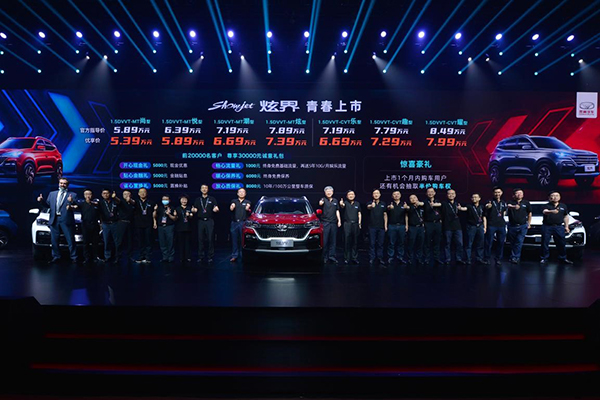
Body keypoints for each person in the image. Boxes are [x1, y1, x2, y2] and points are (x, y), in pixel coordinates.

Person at [37, 178, 78, 263]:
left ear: (67, 185)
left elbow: (76, 206)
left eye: (64, 183)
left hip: (66, 219)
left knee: (70, 239)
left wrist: (72, 202)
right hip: (54, 219)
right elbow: (47, 205)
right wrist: (41, 201)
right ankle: (56, 256)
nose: (62, 185)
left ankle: (74, 257)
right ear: (58, 184)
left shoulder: (73, 195)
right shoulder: (52, 194)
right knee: (54, 240)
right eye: (61, 183)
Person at [540, 191, 573, 265]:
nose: (555, 197)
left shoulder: (563, 206)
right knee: (545, 243)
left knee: (561, 243)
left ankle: (562, 258)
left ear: (560, 197)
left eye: (557, 195)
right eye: (553, 195)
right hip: (547, 226)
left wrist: (566, 226)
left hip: (559, 226)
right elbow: (545, 211)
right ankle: (544, 258)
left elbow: (565, 216)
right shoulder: (546, 205)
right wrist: (552, 211)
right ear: (549, 197)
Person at [192, 184, 219, 263]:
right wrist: (193, 210)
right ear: (200, 189)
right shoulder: (197, 199)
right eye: (202, 188)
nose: (204, 189)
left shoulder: (212, 199)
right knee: (200, 239)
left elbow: (216, 207)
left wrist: (216, 209)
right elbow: (194, 208)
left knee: (210, 239)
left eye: (205, 188)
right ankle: (201, 256)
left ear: (208, 189)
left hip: (209, 221)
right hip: (200, 221)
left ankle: (210, 256)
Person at [74, 189, 100, 264]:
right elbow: (75, 206)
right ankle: (86, 258)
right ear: (84, 195)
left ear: (92, 195)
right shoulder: (81, 204)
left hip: (95, 225)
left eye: (89, 194)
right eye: (86, 194)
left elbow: (100, 214)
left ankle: (95, 257)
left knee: (95, 242)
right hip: (85, 225)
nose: (88, 196)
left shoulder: (96, 204)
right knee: (86, 243)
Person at [507, 188, 531, 264]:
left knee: (519, 241)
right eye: (517, 193)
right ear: (513, 195)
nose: (519, 194)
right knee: (512, 242)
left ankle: (516, 257)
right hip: (512, 226)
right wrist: (514, 207)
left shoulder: (526, 203)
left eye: (521, 193)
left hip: (522, 226)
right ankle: (513, 256)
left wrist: (529, 223)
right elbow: (508, 206)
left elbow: (529, 213)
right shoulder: (510, 202)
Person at [484, 186, 507, 266]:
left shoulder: (503, 202)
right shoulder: (489, 201)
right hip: (491, 225)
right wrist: (488, 207)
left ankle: (498, 259)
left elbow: (504, 212)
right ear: (493, 193)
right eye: (496, 192)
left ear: (501, 193)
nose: (497, 194)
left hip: (501, 225)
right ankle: (487, 258)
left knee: (501, 243)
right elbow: (486, 208)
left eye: (499, 192)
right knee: (489, 242)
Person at [463, 193, 488, 265]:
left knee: (480, 243)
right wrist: (460, 208)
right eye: (473, 197)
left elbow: (484, 217)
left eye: (476, 197)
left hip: (480, 226)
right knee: (469, 243)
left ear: (479, 198)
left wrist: (485, 227)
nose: (474, 198)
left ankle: (479, 258)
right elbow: (464, 209)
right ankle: (468, 259)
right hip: (471, 226)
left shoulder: (482, 207)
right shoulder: (469, 206)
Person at [441, 189, 465, 265]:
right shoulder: (444, 204)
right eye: (449, 194)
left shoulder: (458, 204)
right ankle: (447, 259)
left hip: (457, 227)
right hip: (447, 226)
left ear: (455, 195)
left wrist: (461, 209)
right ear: (447, 195)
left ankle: (459, 258)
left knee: (459, 243)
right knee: (447, 243)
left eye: (452, 193)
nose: (451, 195)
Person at [319, 186, 341, 264]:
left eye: (330, 191)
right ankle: (324, 257)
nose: (329, 192)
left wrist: (339, 220)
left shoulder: (335, 200)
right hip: (325, 223)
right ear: (325, 192)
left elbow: (337, 211)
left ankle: (332, 257)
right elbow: (320, 203)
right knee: (325, 241)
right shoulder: (323, 199)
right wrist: (321, 203)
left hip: (333, 223)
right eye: (327, 191)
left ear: (333, 192)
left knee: (333, 241)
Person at [98, 189, 120, 262]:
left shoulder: (114, 201)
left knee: (117, 242)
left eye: (107, 193)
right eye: (104, 193)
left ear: (110, 194)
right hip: (105, 224)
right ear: (102, 195)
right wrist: (101, 224)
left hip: (115, 223)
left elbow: (120, 203)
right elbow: (99, 214)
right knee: (106, 241)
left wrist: (115, 197)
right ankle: (107, 256)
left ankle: (117, 256)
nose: (106, 195)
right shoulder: (100, 203)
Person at [229, 187, 251, 262]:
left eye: (243, 192)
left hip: (243, 223)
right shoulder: (234, 201)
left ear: (245, 193)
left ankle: (243, 255)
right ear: (237, 193)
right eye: (240, 192)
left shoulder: (247, 201)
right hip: (234, 223)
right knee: (234, 240)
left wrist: (247, 208)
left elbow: (248, 208)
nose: (241, 193)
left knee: (243, 240)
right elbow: (231, 208)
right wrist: (232, 207)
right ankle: (234, 255)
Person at [386, 190, 408, 265]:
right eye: (394, 194)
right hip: (392, 225)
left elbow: (406, 216)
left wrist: (406, 225)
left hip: (401, 225)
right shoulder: (390, 204)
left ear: (400, 195)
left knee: (401, 242)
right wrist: (389, 208)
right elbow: (385, 214)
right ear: (392, 196)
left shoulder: (404, 204)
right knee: (391, 242)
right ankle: (390, 257)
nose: (396, 195)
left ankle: (400, 257)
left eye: (398, 194)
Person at [339, 190, 361, 264]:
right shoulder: (345, 203)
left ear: (354, 195)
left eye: (352, 194)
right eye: (349, 194)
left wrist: (359, 223)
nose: (351, 195)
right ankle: (346, 258)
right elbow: (342, 206)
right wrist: (341, 204)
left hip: (355, 224)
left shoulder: (357, 203)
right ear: (347, 196)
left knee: (355, 241)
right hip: (347, 224)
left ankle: (354, 257)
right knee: (346, 241)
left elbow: (359, 213)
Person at [133, 188, 154, 263]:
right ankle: (141, 256)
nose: (142, 193)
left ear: (147, 193)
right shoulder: (135, 202)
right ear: (138, 194)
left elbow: (154, 214)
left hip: (148, 224)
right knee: (140, 241)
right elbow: (131, 202)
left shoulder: (151, 202)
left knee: (148, 241)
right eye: (141, 192)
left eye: (144, 192)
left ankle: (148, 257)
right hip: (138, 224)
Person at [153, 194, 177, 263]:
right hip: (161, 226)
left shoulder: (172, 208)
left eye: (166, 199)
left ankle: (171, 257)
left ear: (169, 200)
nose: (165, 201)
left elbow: (175, 218)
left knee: (170, 242)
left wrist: (169, 214)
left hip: (169, 226)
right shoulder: (159, 208)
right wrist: (155, 210)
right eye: (163, 199)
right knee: (162, 242)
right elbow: (154, 216)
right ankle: (165, 257)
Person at [367, 189, 387, 266]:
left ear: (380, 194)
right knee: (372, 243)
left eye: (377, 193)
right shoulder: (370, 203)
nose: (376, 194)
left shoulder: (383, 204)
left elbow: (385, 215)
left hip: (381, 227)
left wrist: (385, 225)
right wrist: (371, 206)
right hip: (372, 227)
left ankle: (380, 258)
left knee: (380, 244)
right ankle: (372, 258)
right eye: (374, 193)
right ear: (372, 195)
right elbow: (368, 207)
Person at [423, 188, 443, 265]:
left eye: (432, 192)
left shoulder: (438, 201)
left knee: (437, 242)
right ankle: (427, 258)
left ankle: (437, 258)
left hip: (437, 223)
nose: (430, 193)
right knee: (427, 242)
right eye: (428, 192)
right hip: (428, 223)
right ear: (426, 193)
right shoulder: (425, 202)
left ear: (434, 193)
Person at [405, 194, 425, 265]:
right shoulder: (409, 207)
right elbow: (406, 216)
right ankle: (410, 258)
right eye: (411, 198)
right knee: (411, 243)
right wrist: (407, 226)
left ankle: (419, 258)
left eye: (414, 197)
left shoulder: (422, 206)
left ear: (417, 198)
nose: (413, 199)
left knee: (420, 243)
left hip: (421, 227)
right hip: (412, 227)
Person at [116, 190, 136, 262]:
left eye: (128, 194)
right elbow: (117, 200)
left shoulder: (133, 202)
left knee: (130, 241)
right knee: (119, 241)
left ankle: (130, 256)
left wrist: (130, 200)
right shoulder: (121, 202)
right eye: (124, 194)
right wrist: (115, 197)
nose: (126, 195)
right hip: (122, 223)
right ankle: (118, 257)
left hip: (130, 223)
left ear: (130, 195)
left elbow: (134, 203)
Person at [175, 195, 194, 263]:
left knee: (188, 244)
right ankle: (181, 257)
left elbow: (192, 217)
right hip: (180, 228)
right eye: (182, 199)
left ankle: (188, 257)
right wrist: (175, 215)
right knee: (180, 243)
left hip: (188, 228)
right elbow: (175, 218)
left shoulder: (189, 208)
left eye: (185, 199)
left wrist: (190, 215)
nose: (184, 201)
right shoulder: (177, 208)